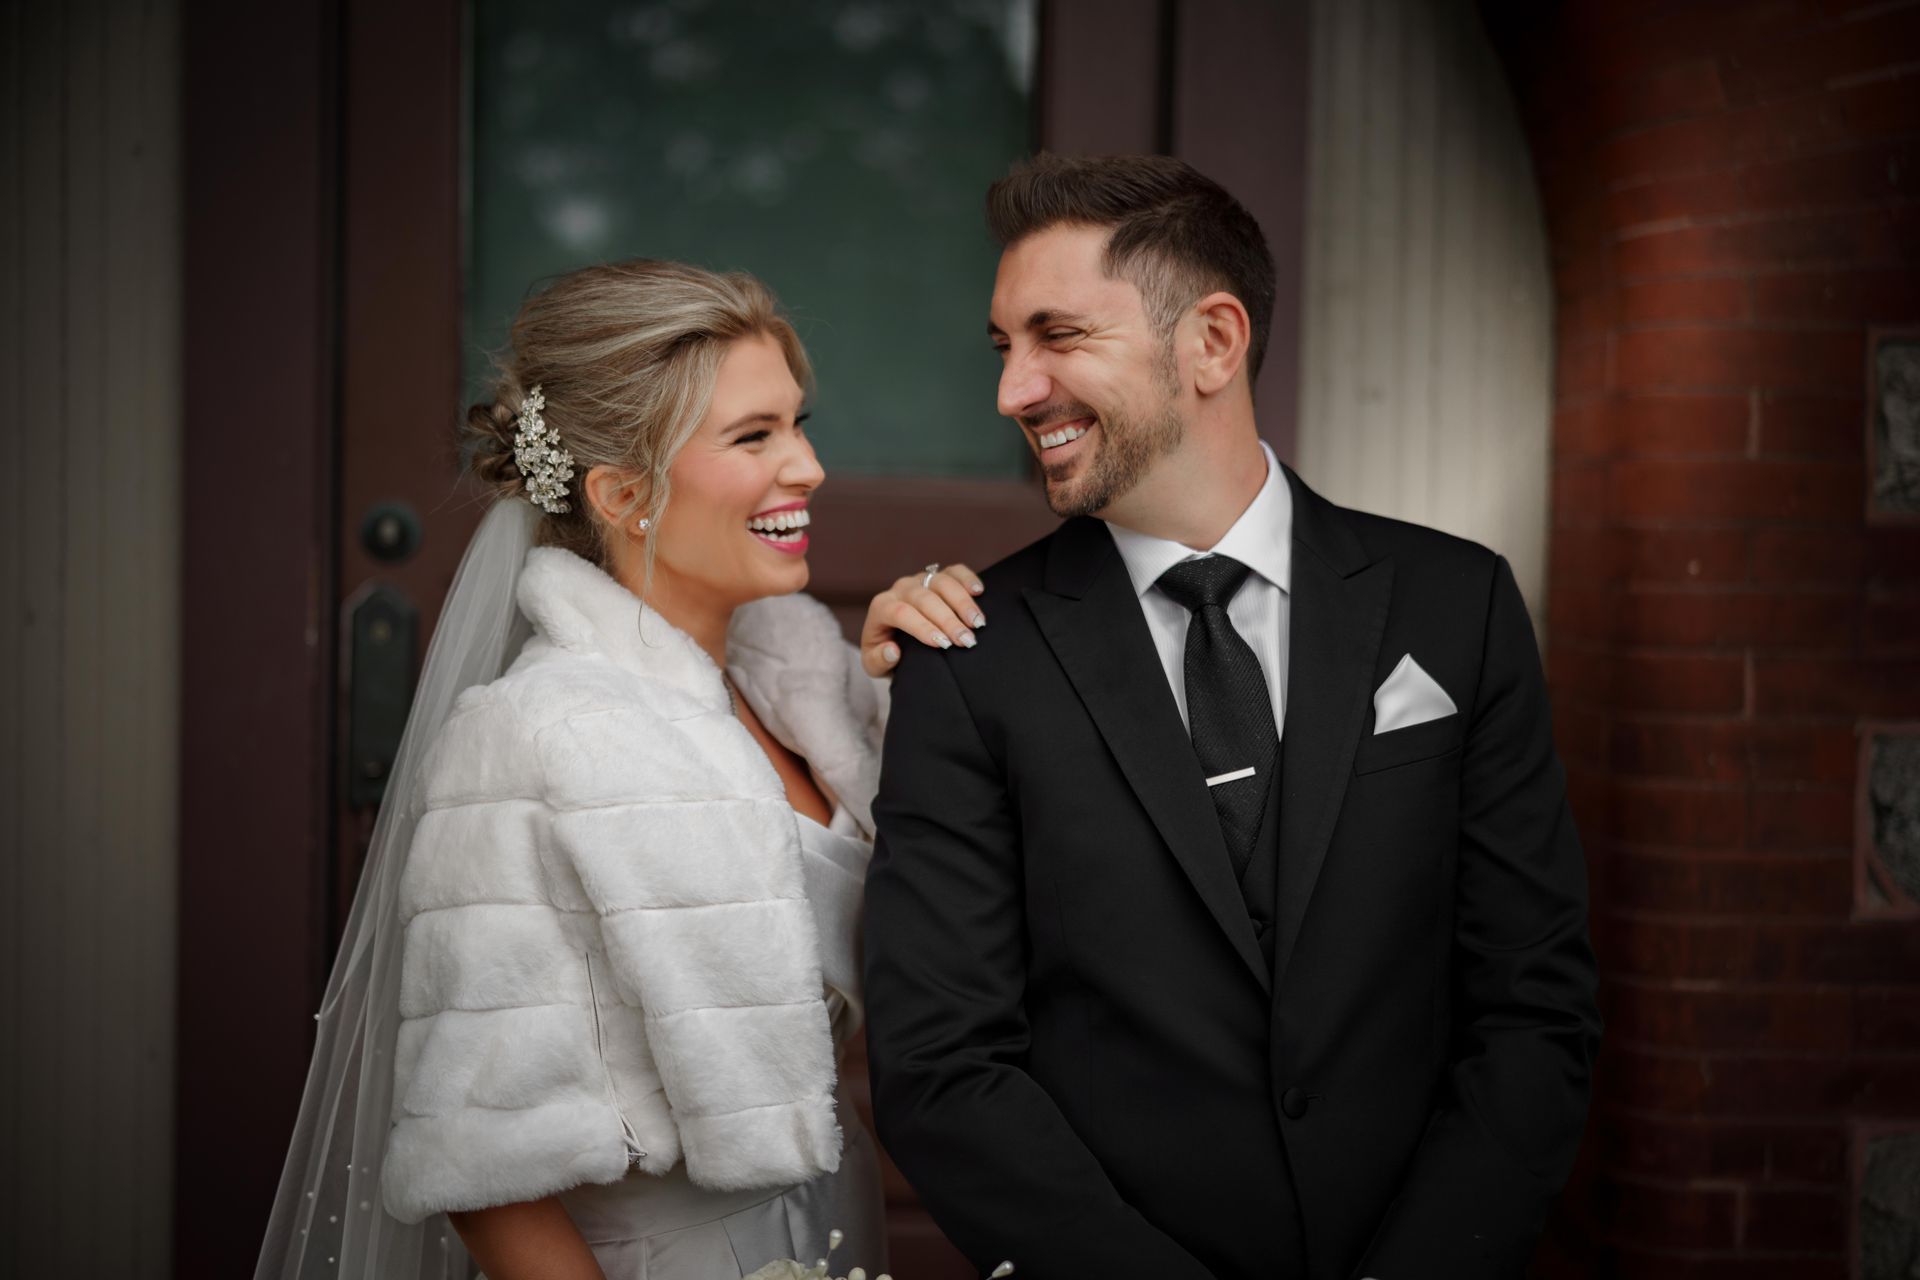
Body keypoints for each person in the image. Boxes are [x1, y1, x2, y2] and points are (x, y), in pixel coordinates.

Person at [861, 153, 1602, 1280]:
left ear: (1212, 340)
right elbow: (941, 1065)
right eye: (1006, 348)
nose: (1014, 390)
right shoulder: (968, 654)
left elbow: (1534, 1005)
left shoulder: (1459, 606)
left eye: (1058, 337)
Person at [255, 259, 987, 1280]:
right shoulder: (534, 738)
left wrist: (925, 678)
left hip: (831, 1217)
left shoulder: (803, 688)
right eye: (753, 436)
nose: (809, 466)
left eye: (798, 421)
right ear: (622, 493)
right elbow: (486, 1168)